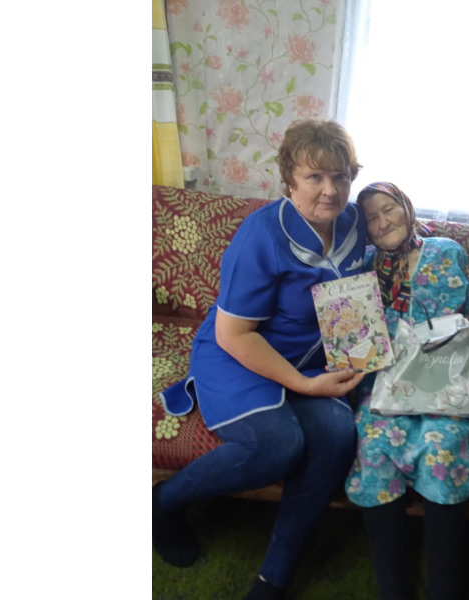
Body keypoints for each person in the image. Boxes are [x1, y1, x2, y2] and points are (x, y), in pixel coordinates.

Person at [153, 119, 368, 600]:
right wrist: (304, 385)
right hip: (237, 353)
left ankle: (276, 577)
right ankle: (163, 502)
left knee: (337, 434)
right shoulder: (262, 234)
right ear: (289, 180)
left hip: (309, 360)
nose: (330, 190)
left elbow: (355, 295)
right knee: (278, 445)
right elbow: (234, 333)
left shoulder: (355, 223)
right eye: (315, 177)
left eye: (341, 176)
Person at [345, 182, 469, 600]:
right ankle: (393, 591)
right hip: (386, 383)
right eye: (372, 219)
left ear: (406, 206)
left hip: (447, 378)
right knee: (374, 445)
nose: (383, 222)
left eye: (389, 208)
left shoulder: (447, 251)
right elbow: (354, 342)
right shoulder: (362, 268)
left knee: (442, 446)